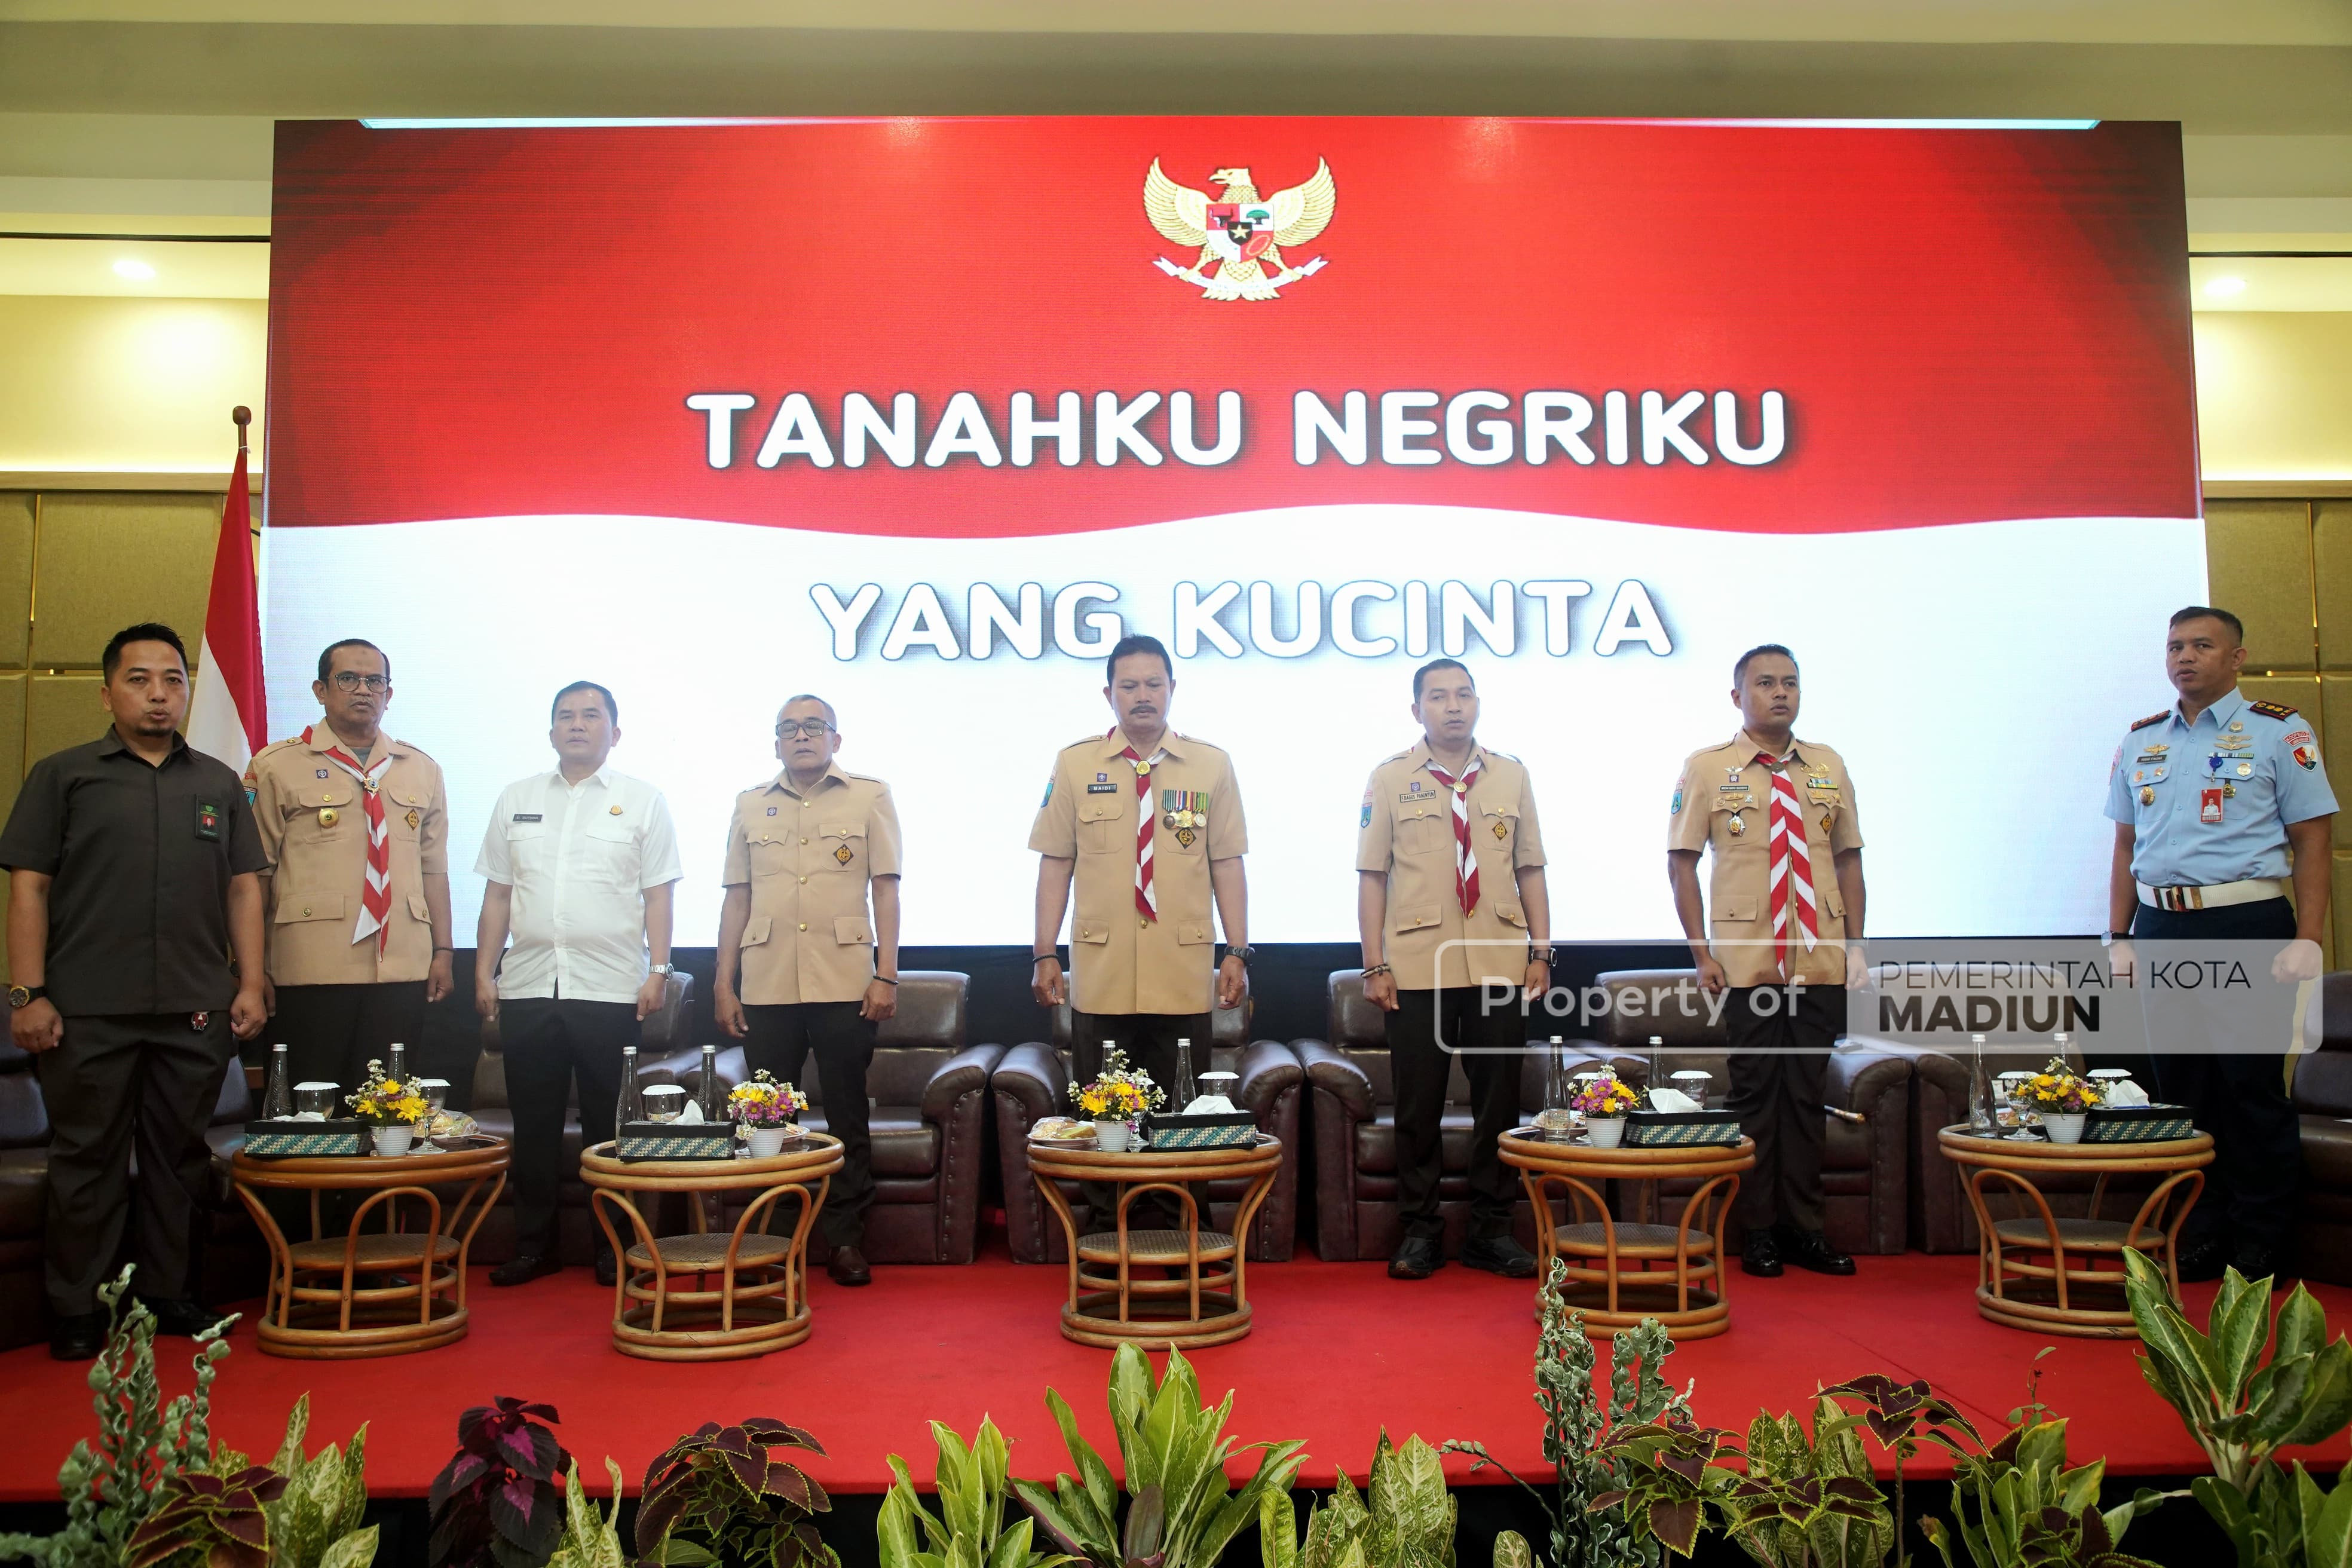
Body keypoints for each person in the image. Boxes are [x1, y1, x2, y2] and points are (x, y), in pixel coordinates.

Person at [1, 624, 267, 1359]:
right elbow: (29, 887)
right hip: (86, 1007)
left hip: (194, 1005)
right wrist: (27, 993)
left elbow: (244, 887)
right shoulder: (64, 774)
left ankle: (168, 1292)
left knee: (179, 1158)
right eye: (140, 679)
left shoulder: (218, 781)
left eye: (173, 680)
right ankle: (77, 1308)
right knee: (87, 1158)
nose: (159, 694)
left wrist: (250, 980)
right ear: (107, 692)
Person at [2103, 605, 2335, 1284]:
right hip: (2162, 928)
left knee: (2249, 1087)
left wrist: (2309, 937)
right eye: (2175, 645)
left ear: (2236, 658)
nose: (2185, 657)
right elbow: (2125, 846)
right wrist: (2118, 935)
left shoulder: (2278, 731)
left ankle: (2261, 1238)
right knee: (2181, 1091)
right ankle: (2202, 1230)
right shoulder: (2142, 739)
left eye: (2202, 645)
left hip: (2246, 924)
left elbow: (2313, 840)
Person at [1030, 633, 1251, 1235]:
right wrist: (1044, 951)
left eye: (1154, 683)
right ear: (1109, 693)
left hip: (1181, 971)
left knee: (1184, 1111)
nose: (1143, 695)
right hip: (1103, 974)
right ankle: (1108, 1230)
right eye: (1129, 685)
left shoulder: (1210, 764)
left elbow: (1227, 862)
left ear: (1172, 688)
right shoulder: (1076, 764)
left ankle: (1185, 1228)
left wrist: (1236, 949)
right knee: (1104, 1111)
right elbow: (1055, 862)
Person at [475, 681, 682, 1288]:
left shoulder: (643, 801)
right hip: (529, 985)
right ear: (551, 732)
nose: (577, 724)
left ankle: (611, 1248)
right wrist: (484, 970)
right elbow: (498, 894)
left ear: (614, 732)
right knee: (533, 1124)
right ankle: (534, 1247)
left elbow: (658, 895)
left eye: (591, 715)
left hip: (610, 988)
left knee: (608, 1129)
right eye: (566, 715)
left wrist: (659, 969)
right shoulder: (517, 797)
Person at [1667, 643, 1864, 1280]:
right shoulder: (1707, 767)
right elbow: (1681, 863)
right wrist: (1701, 952)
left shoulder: (1827, 764)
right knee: (1755, 1097)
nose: (1780, 693)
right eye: (1766, 683)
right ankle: (1757, 1233)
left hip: (1819, 957)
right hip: (1747, 960)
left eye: (1790, 683)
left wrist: (1856, 945)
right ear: (1738, 696)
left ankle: (1805, 1229)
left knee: (1807, 1097)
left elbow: (1849, 859)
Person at [1356, 659, 1549, 1281]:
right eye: (1438, 697)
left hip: (1499, 961)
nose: (1454, 706)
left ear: (1478, 703)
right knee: (1418, 1106)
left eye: (1464, 694)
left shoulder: (1512, 774)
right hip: (1417, 966)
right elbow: (1372, 876)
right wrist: (1374, 963)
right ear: (1417, 710)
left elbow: (1530, 868)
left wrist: (1542, 951)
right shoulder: (1390, 777)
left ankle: (1493, 1231)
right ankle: (1420, 1230)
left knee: (1499, 1104)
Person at [713, 694, 901, 1287]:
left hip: (845, 980)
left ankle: (845, 1238)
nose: (801, 736)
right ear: (776, 742)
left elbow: (886, 889)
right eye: (789, 728)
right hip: (767, 981)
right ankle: (774, 1242)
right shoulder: (750, 803)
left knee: (846, 1112)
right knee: (768, 1119)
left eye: (814, 726)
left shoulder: (869, 796)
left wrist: (887, 973)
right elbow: (737, 898)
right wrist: (723, 982)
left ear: (835, 739)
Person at [245, 639, 454, 1091]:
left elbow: (434, 869)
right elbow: (255, 876)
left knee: (390, 1107)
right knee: (314, 1109)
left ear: (388, 694)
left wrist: (443, 951)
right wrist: (251, 969)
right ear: (320, 690)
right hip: (310, 966)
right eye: (348, 679)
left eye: (375, 681)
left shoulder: (422, 768)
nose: (363, 690)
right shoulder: (276, 766)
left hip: (402, 966)